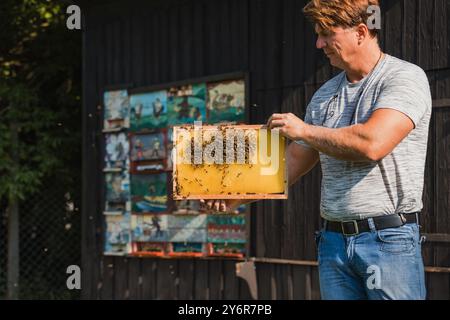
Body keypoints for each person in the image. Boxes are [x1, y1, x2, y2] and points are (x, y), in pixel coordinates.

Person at [202, 0, 431, 300]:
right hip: (333, 242)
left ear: (361, 32)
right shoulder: (324, 96)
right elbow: (292, 162)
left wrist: (304, 130)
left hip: (388, 240)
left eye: (326, 33)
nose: (318, 43)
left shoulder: (403, 78)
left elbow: (372, 144)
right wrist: (233, 195)